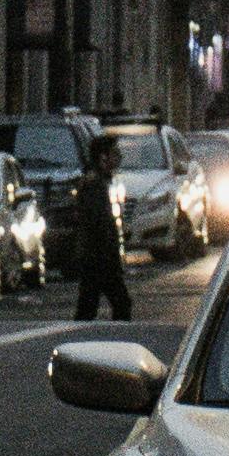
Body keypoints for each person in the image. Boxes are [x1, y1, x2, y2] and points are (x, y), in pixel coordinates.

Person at [66, 132, 135, 324]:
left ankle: (82, 334)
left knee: (89, 306)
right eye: (114, 153)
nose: (119, 158)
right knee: (119, 304)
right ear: (103, 157)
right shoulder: (94, 185)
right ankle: (114, 337)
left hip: (96, 256)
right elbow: (97, 223)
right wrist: (109, 251)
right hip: (99, 257)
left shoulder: (98, 182)